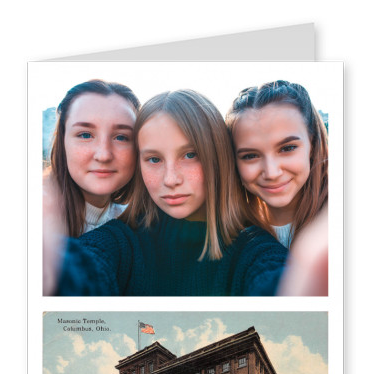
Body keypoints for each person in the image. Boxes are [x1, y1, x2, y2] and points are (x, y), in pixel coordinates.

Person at [46, 89, 288, 296]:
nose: (170, 179)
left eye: (190, 155)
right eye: (154, 159)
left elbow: (278, 282)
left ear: (217, 157)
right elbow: (83, 267)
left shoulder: (256, 251)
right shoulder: (121, 241)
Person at [226, 80, 328, 249]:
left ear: (313, 144)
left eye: (287, 148)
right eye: (250, 155)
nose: (272, 172)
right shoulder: (231, 237)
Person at [46, 79, 140, 237]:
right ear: (63, 142)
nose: (103, 155)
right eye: (85, 135)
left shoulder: (140, 226)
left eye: (121, 137)